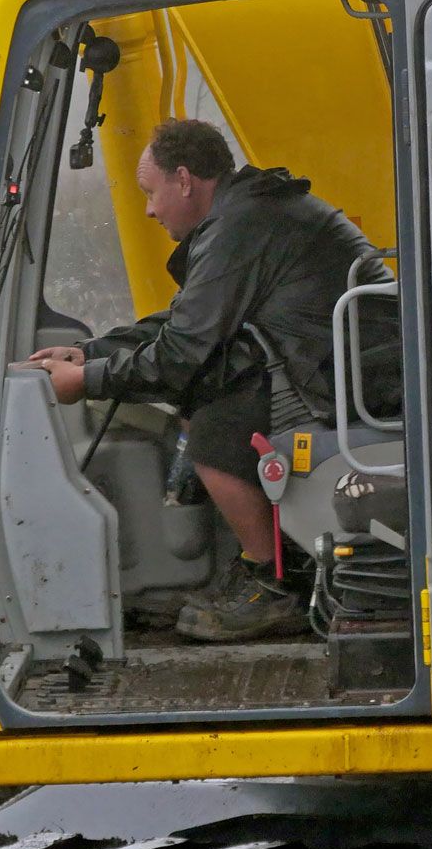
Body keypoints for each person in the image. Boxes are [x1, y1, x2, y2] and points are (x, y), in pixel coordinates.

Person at [32, 118, 393, 642]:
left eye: (151, 192)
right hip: (347, 366)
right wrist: (88, 352)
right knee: (209, 394)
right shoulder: (246, 215)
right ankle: (271, 565)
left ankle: (273, 585)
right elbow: (186, 322)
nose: (149, 210)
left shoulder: (240, 227)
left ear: (184, 180)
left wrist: (86, 380)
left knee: (216, 427)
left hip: (361, 382)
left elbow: (181, 353)